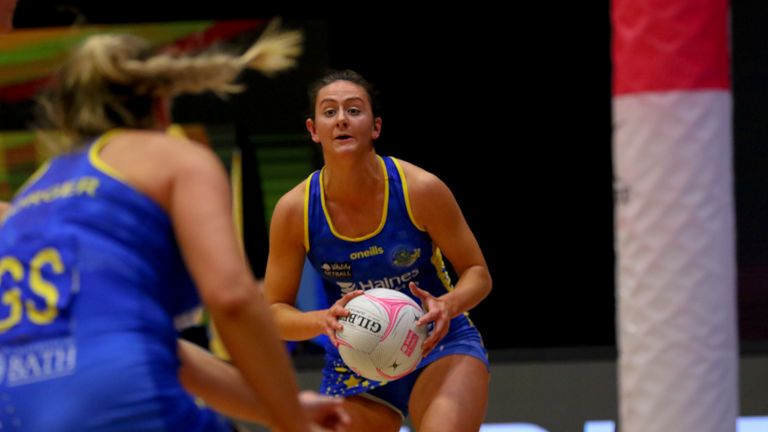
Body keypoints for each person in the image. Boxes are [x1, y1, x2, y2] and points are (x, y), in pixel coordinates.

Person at [0, 22, 348, 432]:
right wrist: (291, 423)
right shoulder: (173, 157)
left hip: (18, 409)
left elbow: (163, 351)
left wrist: (288, 405)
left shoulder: (36, 189)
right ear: (161, 102)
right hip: (124, 394)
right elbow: (232, 299)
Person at [264, 69, 492, 432]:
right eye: (329, 111)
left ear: (375, 127)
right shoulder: (295, 210)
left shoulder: (421, 189)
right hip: (355, 359)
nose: (341, 119)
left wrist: (449, 304)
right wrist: (322, 320)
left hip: (437, 345)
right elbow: (273, 312)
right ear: (313, 129)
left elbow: (478, 274)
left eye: (354, 110)